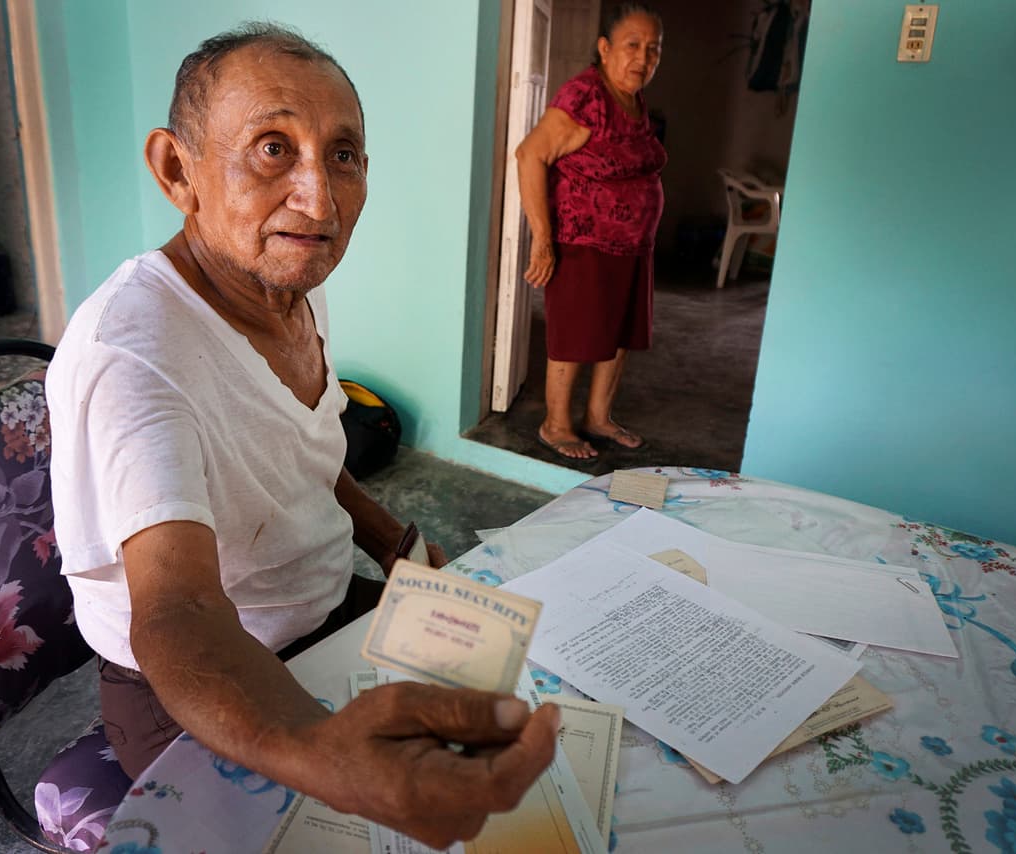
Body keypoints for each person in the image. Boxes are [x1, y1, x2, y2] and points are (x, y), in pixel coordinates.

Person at [46, 22, 559, 849]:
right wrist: (314, 748)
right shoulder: (134, 355)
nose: (320, 201)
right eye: (272, 148)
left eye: (343, 155)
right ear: (178, 170)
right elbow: (179, 606)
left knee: (531, 713)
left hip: (322, 604)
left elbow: (302, 458)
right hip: (199, 678)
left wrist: (395, 544)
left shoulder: (290, 283)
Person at [516, 3, 666, 460]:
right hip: (583, 243)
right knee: (575, 338)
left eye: (653, 49)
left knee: (617, 336)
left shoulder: (632, 98)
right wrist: (543, 240)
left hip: (631, 246)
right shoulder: (586, 96)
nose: (643, 57)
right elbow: (530, 155)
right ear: (604, 48)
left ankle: (598, 417)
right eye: (632, 45)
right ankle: (555, 425)